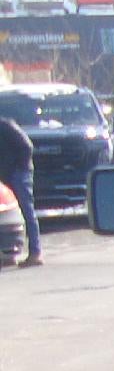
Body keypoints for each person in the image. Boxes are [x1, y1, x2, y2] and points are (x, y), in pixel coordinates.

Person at [0, 113, 40, 267]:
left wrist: (18, 168)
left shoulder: (5, 125)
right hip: (6, 176)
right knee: (8, 214)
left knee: (26, 210)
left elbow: (27, 147)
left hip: (19, 173)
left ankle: (35, 253)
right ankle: (10, 254)